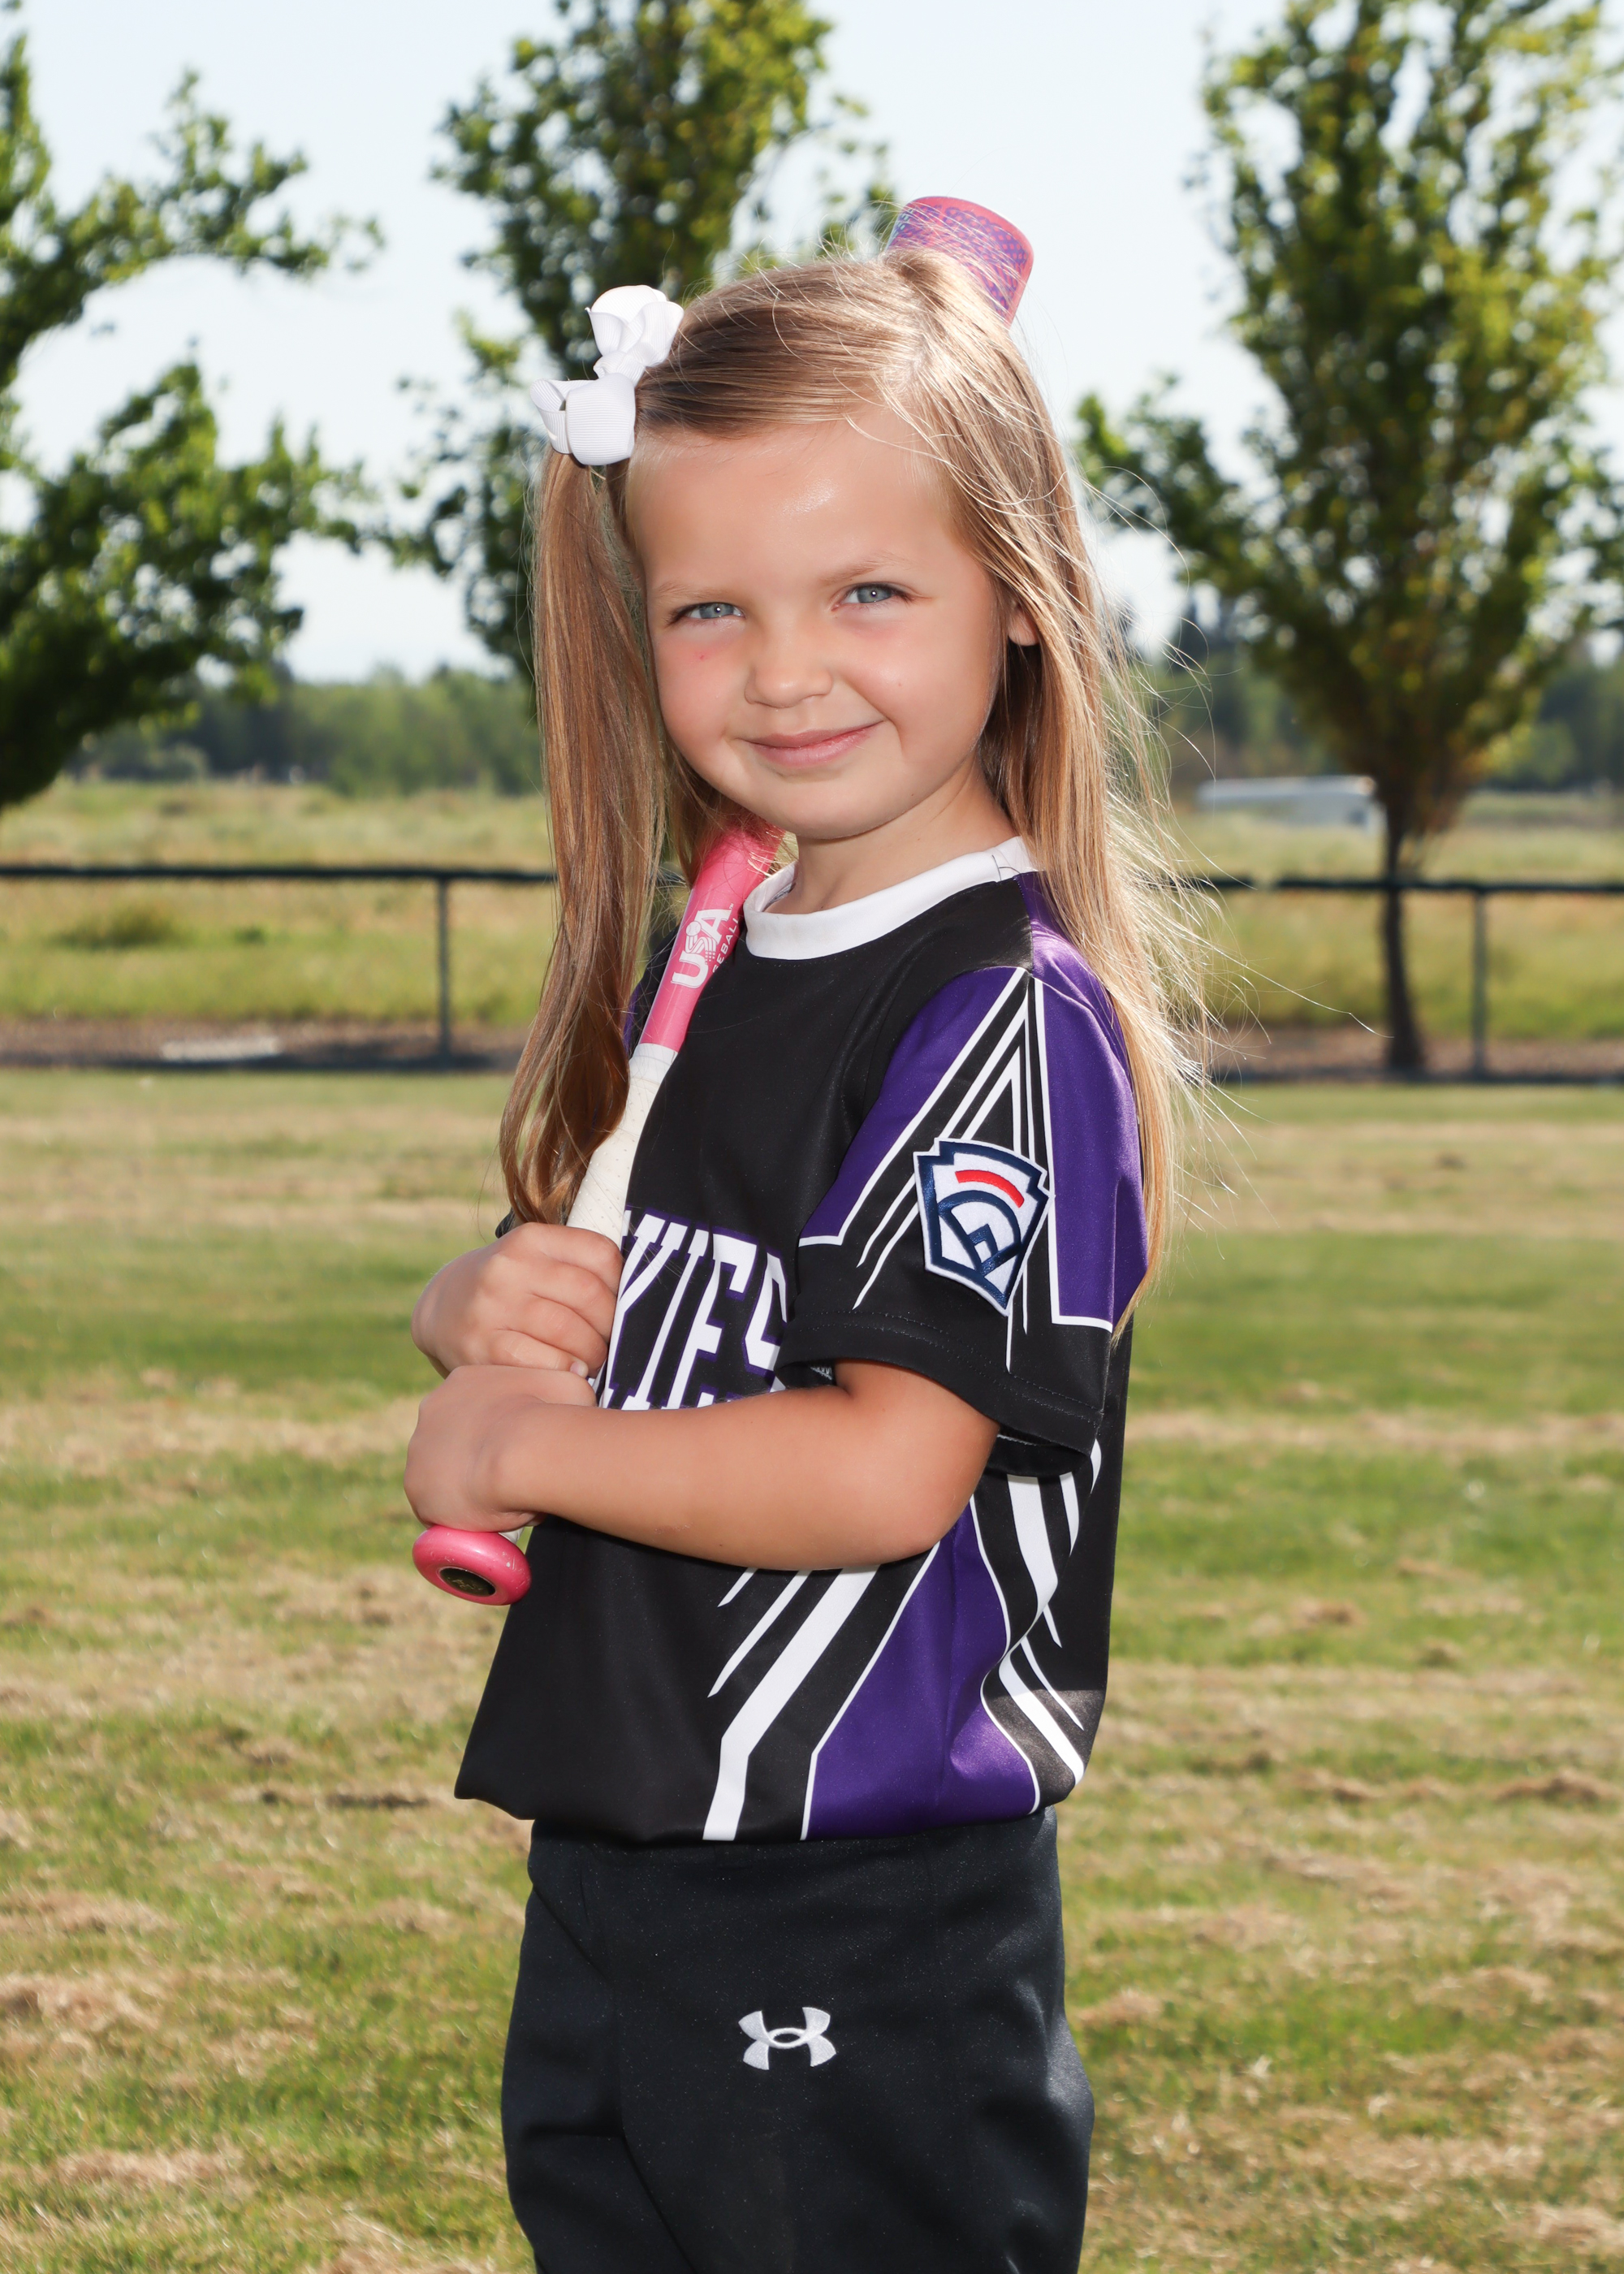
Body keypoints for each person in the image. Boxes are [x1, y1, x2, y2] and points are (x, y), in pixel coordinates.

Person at [404, 220, 1199, 2274]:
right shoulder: (732, 941)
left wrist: (519, 1451)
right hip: (632, 1856)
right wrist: (478, 1307)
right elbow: (663, 1325)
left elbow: (880, 1465)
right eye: (711, 607)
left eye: (867, 591)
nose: (783, 668)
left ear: (1015, 593)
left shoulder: (998, 1011)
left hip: (850, 1900)